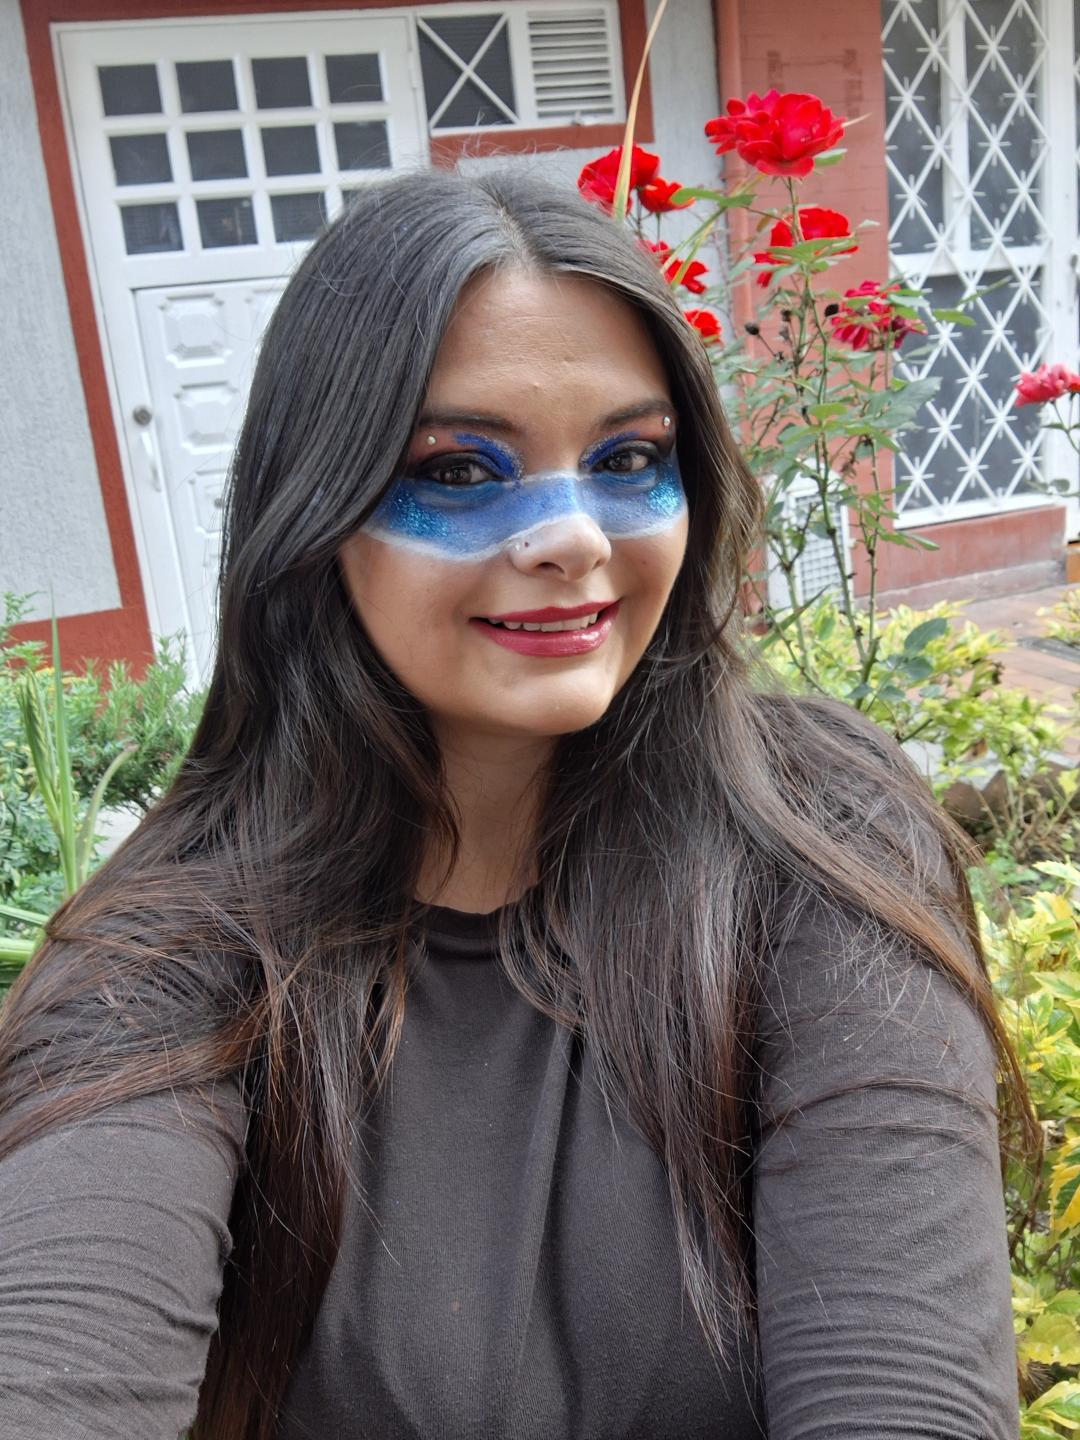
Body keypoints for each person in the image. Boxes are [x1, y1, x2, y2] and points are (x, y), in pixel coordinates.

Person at [0, 167, 1037, 1440]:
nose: (575, 538)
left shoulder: (819, 835)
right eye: (460, 469)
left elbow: (907, 1391)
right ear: (316, 510)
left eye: (629, 459)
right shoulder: (168, 954)